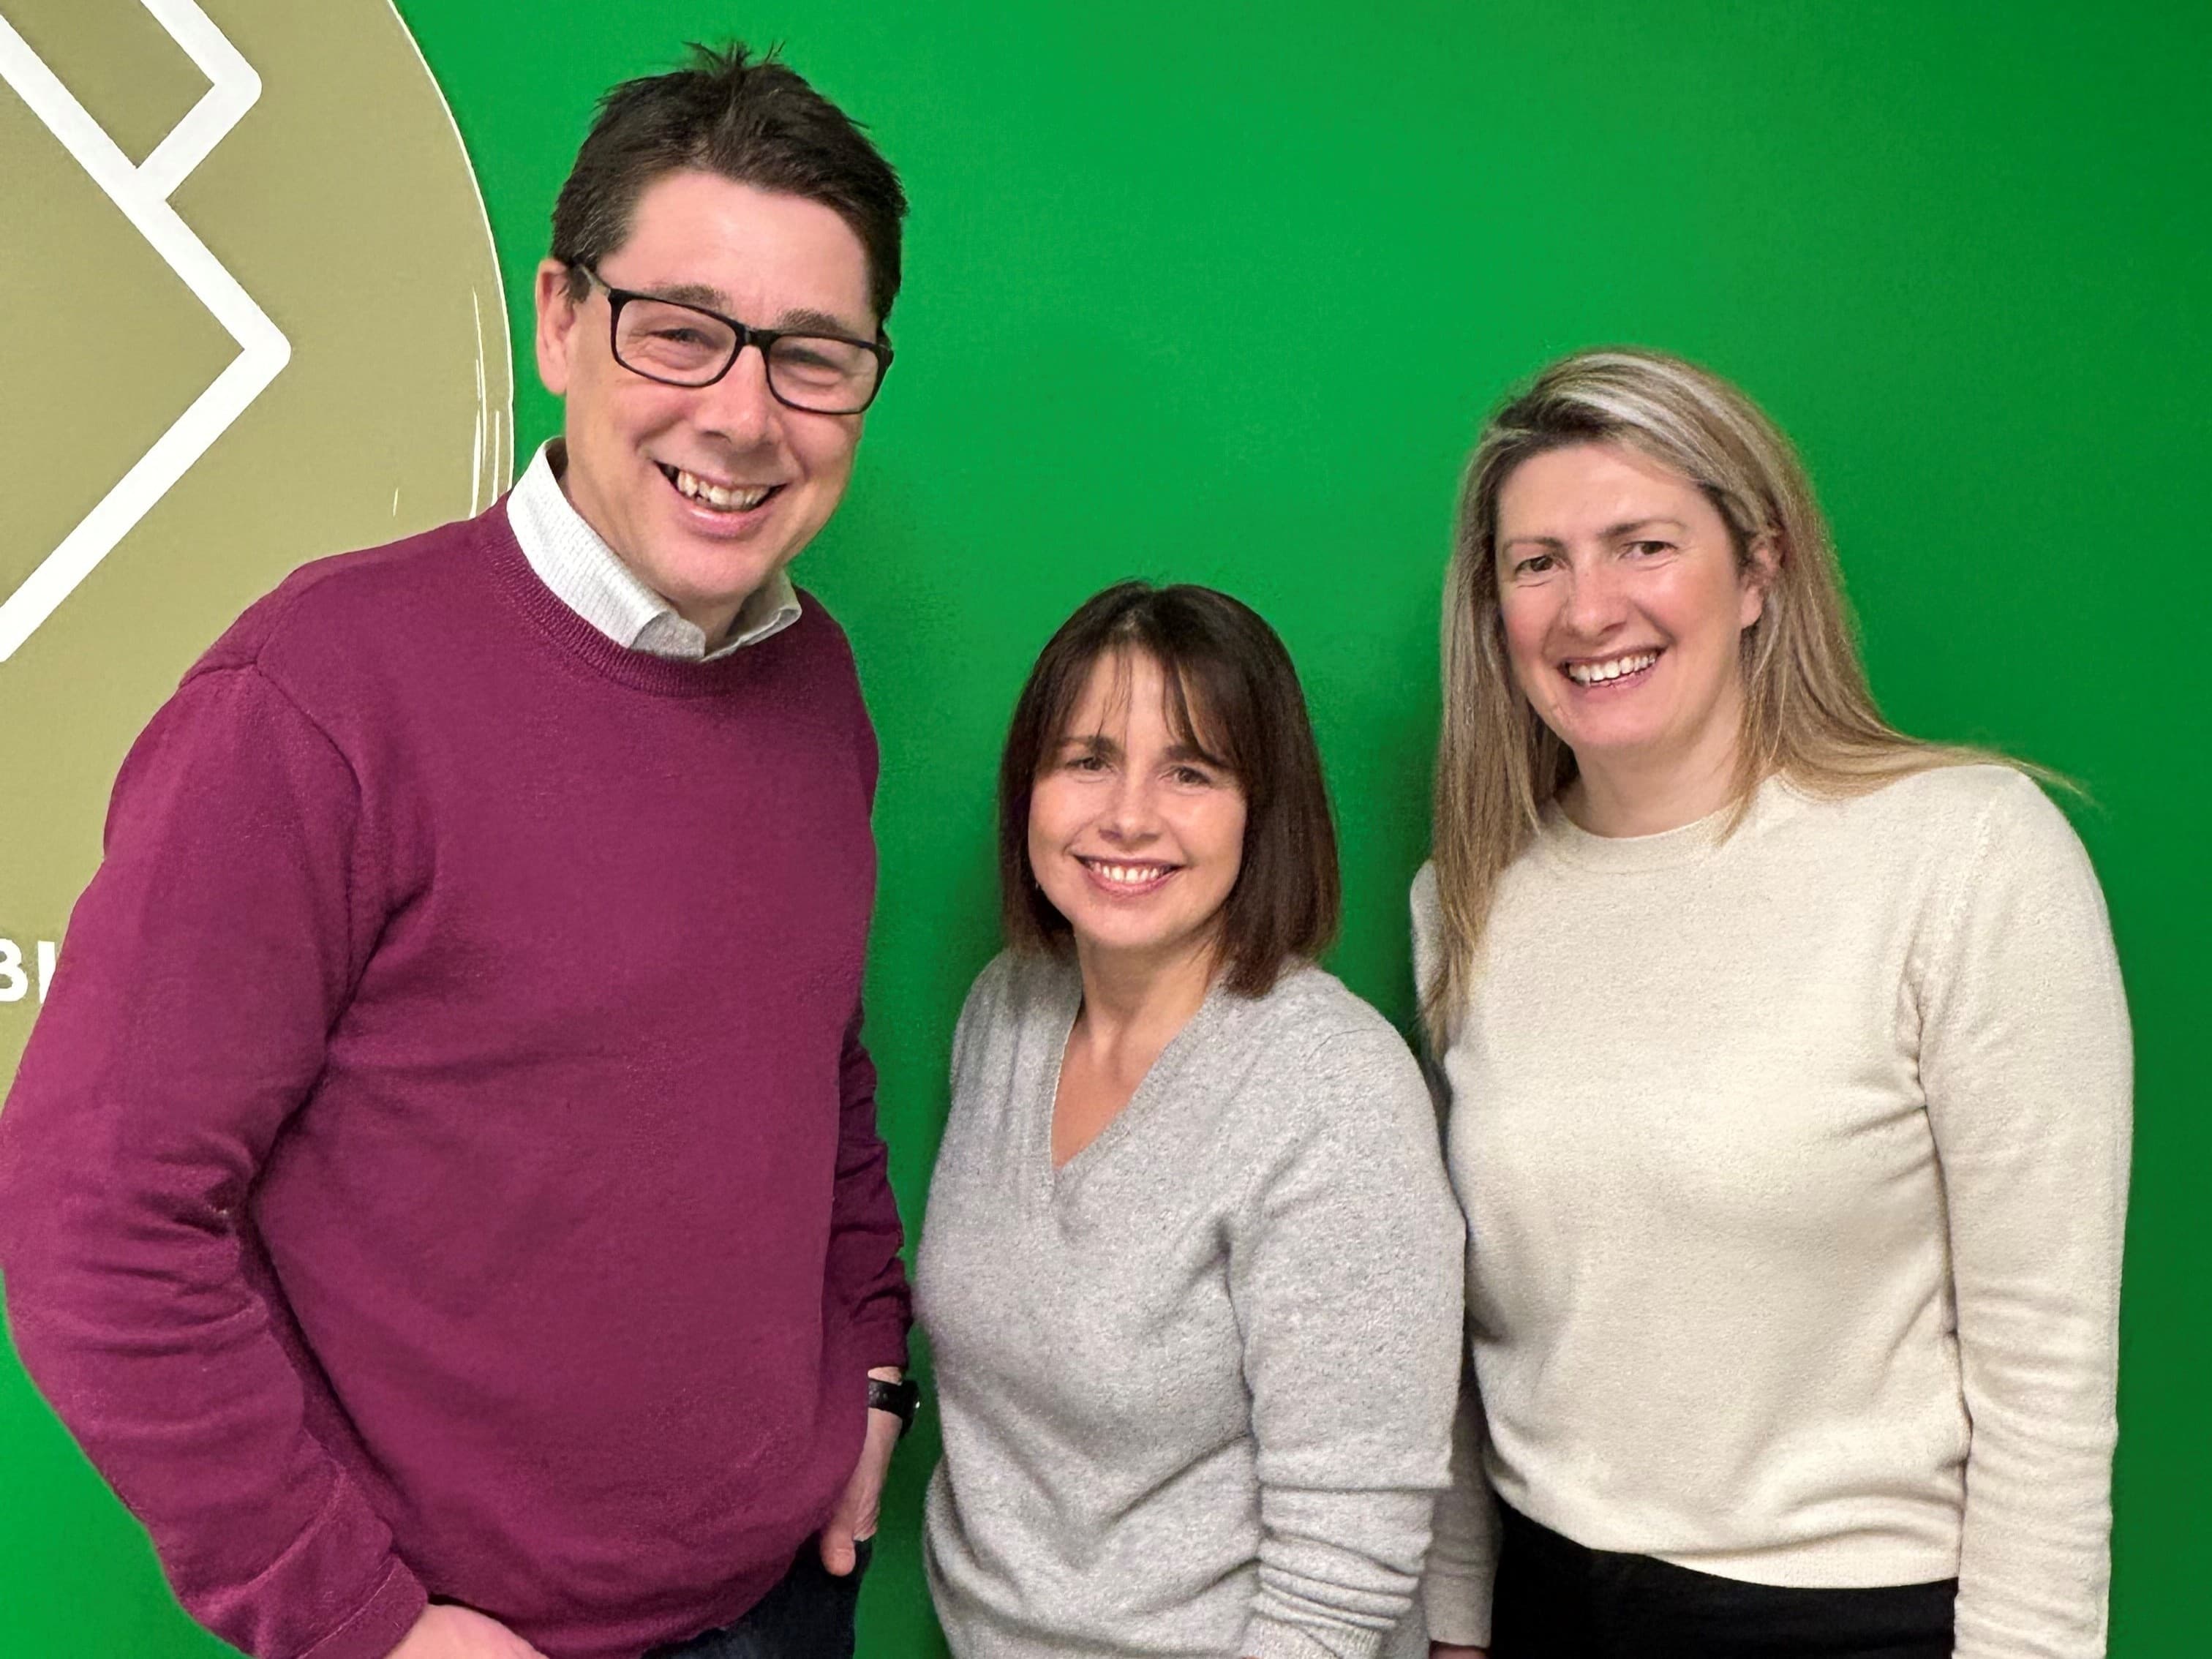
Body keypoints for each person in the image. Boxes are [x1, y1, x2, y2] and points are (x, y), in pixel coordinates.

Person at [0, 44, 920, 1659]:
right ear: (563, 318)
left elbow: (814, 1066)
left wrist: (871, 1360)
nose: (743, 413)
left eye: (812, 357)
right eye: (683, 332)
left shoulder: (815, 684)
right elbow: (92, 1218)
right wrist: (364, 1626)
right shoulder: (318, 698)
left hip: (786, 1606)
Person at [1414, 347, 2131, 1659]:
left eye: (1643, 546)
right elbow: (1465, 1337)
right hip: (1545, 1606)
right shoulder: (1465, 901)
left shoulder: (1968, 853)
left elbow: (2049, 1370)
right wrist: (1456, 1622)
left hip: (1855, 1621)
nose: (1588, 611)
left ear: (1758, 572)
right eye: (1538, 564)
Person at [916, 582, 1465, 1659]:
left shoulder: (1330, 1087)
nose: (1128, 815)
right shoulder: (1008, 1013)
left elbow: (1347, 1556)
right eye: (1086, 760)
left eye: (1191, 772)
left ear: (1263, 810)